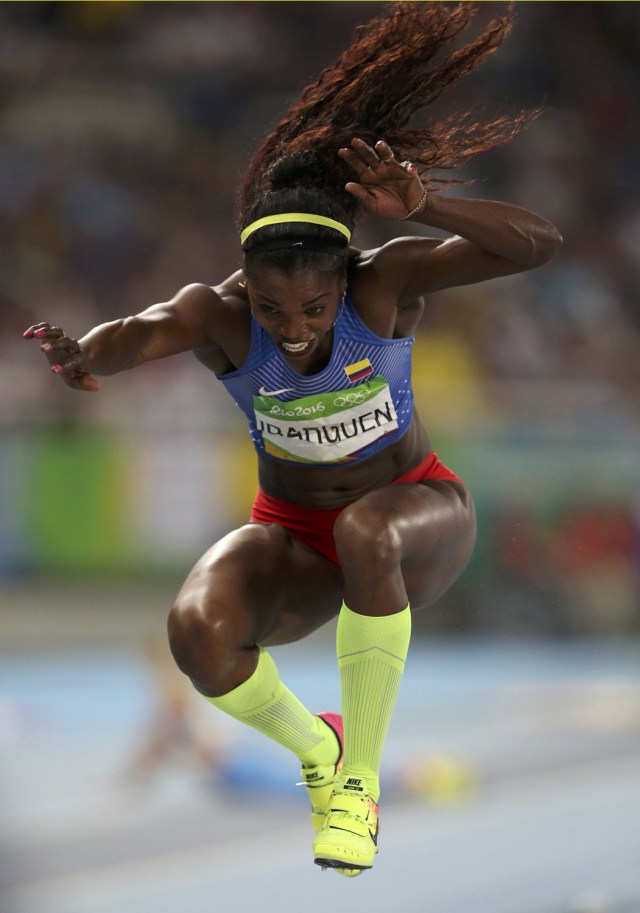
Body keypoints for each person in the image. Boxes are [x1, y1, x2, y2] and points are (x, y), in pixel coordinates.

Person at [23, 2, 562, 876]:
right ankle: (319, 749)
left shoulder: (383, 287)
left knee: (366, 529)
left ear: (344, 278)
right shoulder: (223, 316)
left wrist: (431, 206)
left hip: (420, 516)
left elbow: (540, 244)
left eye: (314, 309)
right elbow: (141, 330)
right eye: (274, 309)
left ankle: (358, 781)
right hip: (296, 538)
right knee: (196, 633)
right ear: (247, 284)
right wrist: (85, 354)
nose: (297, 329)